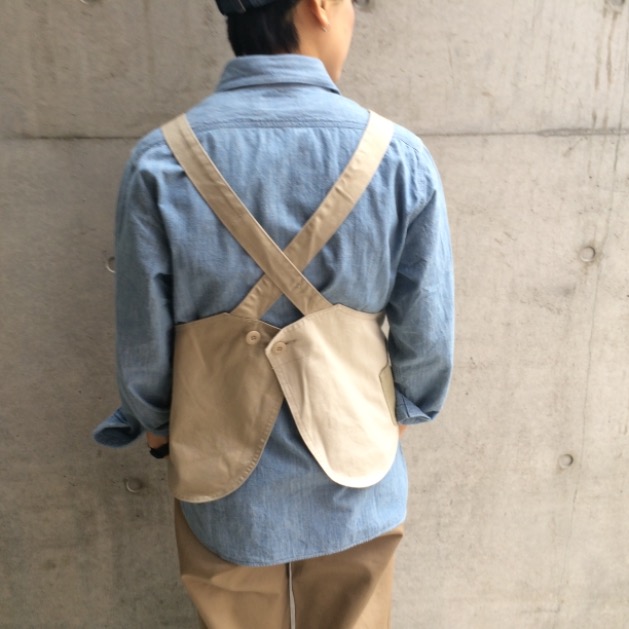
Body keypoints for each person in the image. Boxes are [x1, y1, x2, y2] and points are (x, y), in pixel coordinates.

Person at [93, 0, 454, 626]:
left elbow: (142, 335)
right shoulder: (398, 157)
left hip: (219, 470)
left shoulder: (160, 161)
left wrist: (157, 425)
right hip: (357, 470)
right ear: (321, 6)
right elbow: (427, 331)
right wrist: (404, 413)